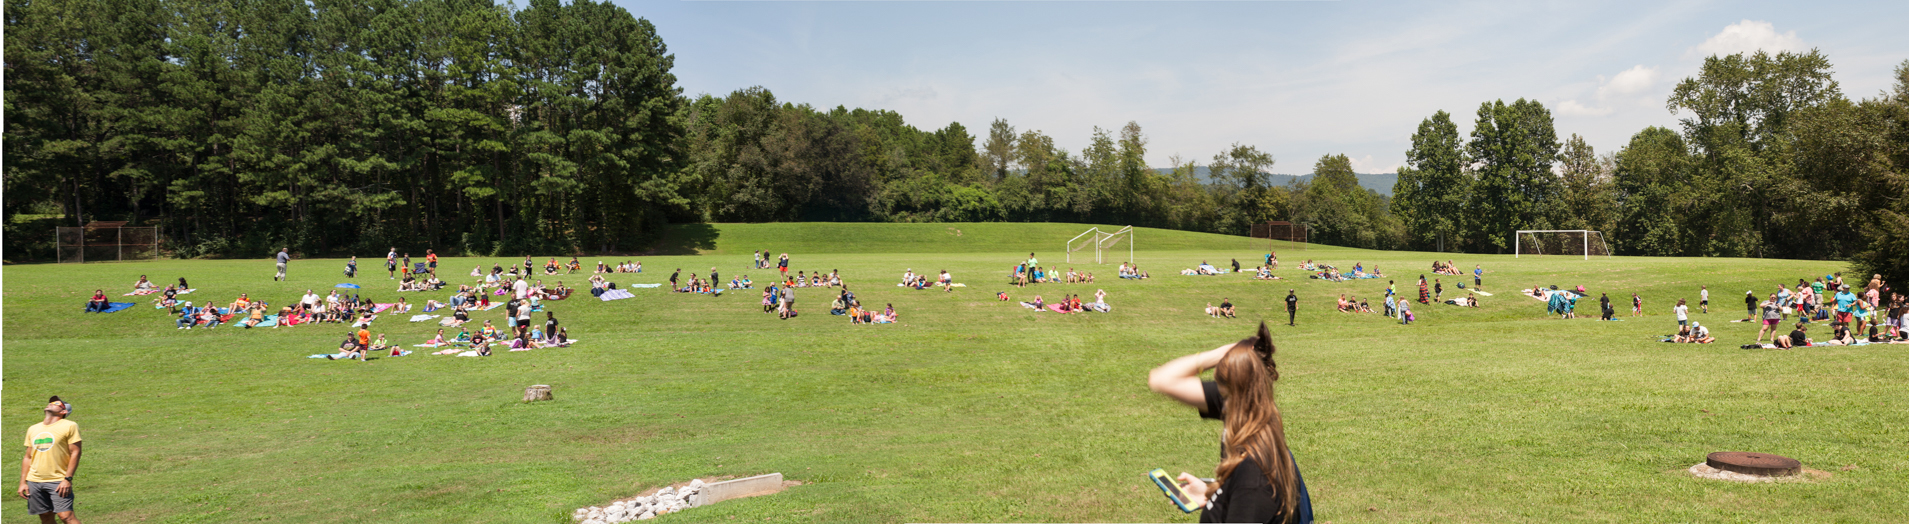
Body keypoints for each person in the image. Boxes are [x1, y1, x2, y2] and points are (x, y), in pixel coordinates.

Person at [1147, 323, 1313, 524]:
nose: (1221, 408)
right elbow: (1160, 379)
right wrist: (1214, 492)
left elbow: (1250, 498)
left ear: (1237, 393)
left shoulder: (1254, 479)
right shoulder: (1261, 425)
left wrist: (1224, 354)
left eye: (1223, 396)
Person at [19, 396, 83, 524]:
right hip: (34, 481)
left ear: (63, 411)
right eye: (51, 402)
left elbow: (75, 452)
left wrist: (67, 479)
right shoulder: (33, 428)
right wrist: (23, 482)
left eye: (56, 403)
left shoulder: (69, 426)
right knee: (46, 517)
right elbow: (28, 457)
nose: (51, 404)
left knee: (66, 516)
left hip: (58, 480)